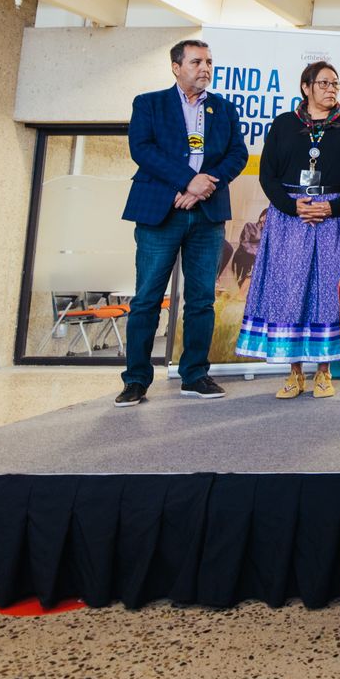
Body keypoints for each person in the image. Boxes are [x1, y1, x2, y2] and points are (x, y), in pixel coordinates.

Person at [115, 39, 248, 407]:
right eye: (196, 62)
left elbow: (237, 154)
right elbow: (142, 149)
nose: (205, 68)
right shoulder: (149, 103)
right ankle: (136, 380)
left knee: (202, 299)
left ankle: (195, 375)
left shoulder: (224, 108)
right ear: (176, 67)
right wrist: (187, 181)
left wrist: (204, 186)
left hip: (206, 214)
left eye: (209, 62)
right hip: (160, 211)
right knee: (146, 299)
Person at [236, 60, 340, 400]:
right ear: (306, 87)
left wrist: (333, 207)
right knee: (291, 288)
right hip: (290, 217)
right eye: (324, 83)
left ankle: (324, 372)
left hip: (336, 217)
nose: (331, 89)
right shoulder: (284, 124)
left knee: (329, 289)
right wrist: (290, 205)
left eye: (335, 84)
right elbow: (267, 174)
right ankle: (294, 372)